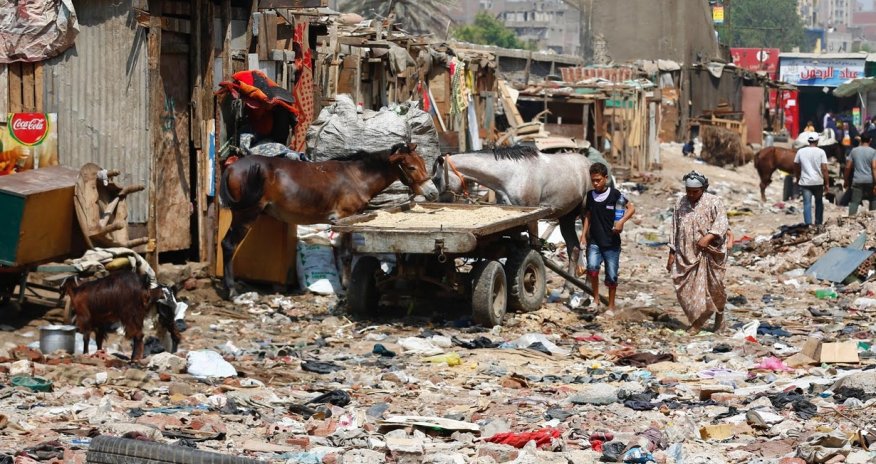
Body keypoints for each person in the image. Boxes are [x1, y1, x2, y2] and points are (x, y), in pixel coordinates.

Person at [666, 171, 729, 335]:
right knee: (685, 289)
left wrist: (708, 237)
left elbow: (722, 223)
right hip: (686, 254)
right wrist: (672, 252)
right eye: (689, 191)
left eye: (696, 191)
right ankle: (696, 321)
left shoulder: (714, 202)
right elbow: (675, 227)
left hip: (710, 254)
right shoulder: (680, 203)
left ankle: (716, 319)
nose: (691, 195)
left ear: (703, 189)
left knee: (715, 288)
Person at [579, 162, 635, 312]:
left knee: (611, 276)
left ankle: (611, 306)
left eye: (598, 180)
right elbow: (588, 217)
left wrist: (622, 221)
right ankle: (596, 300)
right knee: (592, 269)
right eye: (593, 181)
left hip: (612, 243)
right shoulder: (590, 196)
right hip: (595, 242)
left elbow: (631, 208)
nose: (596, 183)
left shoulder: (615, 194)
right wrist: (583, 235)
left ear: (605, 178)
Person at [794, 135, 830, 225]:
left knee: (807, 204)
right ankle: (818, 223)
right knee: (818, 202)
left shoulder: (800, 151)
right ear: (817, 141)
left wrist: (798, 177)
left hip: (805, 182)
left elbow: (796, 166)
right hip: (818, 182)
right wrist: (827, 183)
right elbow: (824, 168)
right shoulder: (821, 152)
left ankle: (808, 225)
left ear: (808, 141)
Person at [845, 133, 876, 215]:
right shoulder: (873, 152)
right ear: (870, 140)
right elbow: (874, 168)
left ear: (861, 140)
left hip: (857, 180)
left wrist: (846, 180)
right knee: (873, 200)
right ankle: (873, 218)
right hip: (870, 181)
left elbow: (848, 167)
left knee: (854, 202)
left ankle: (850, 220)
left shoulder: (854, 151)